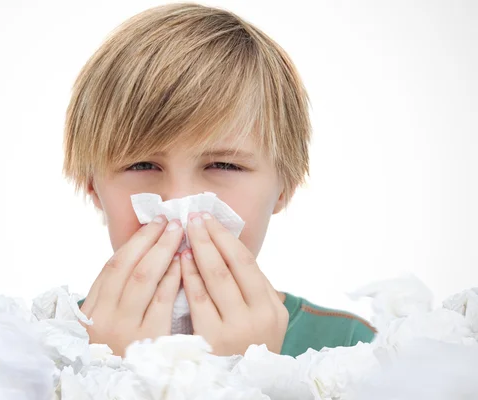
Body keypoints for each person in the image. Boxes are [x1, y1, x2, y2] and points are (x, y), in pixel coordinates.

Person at [64, 2, 376, 358]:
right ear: (93, 187)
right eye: (141, 165)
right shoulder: (42, 350)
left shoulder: (355, 352)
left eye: (225, 166)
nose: (180, 204)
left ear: (284, 187)